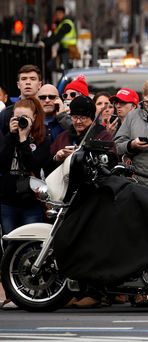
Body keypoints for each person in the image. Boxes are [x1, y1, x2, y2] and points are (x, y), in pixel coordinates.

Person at [0, 97, 53, 310]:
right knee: (9, 246)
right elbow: (1, 162)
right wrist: (11, 137)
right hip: (7, 199)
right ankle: (13, 292)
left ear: (34, 119)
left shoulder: (42, 139)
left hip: (30, 199)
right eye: (16, 117)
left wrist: (24, 139)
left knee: (32, 244)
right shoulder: (5, 136)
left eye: (25, 118)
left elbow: (35, 163)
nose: (20, 121)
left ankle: (35, 287)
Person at [0, 65, 43, 135]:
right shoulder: (6, 114)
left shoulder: (46, 110)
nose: (28, 82)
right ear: (18, 85)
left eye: (32, 79)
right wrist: (11, 133)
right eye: (24, 79)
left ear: (40, 84)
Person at [42, 6, 77, 74]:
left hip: (68, 50)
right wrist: (44, 41)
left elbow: (57, 37)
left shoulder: (67, 24)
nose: (58, 16)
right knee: (54, 66)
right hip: (63, 50)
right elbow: (54, 36)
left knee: (64, 69)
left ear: (64, 14)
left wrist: (45, 43)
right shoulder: (61, 24)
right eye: (56, 14)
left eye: (59, 14)